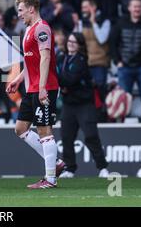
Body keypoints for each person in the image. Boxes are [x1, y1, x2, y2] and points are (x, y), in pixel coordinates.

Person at [6, 0, 65, 189]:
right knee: (20, 129)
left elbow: (45, 58)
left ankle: (50, 179)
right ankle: (56, 164)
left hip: (44, 87)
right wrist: (18, 78)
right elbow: (32, 61)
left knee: (44, 130)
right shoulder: (30, 29)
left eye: (21, 10)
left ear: (32, 9)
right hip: (31, 88)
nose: (19, 14)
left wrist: (42, 88)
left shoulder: (42, 28)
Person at [56, 32, 109, 178]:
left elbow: (69, 80)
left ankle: (102, 168)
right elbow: (56, 76)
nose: (71, 44)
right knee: (66, 137)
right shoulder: (61, 58)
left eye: (74, 42)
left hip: (84, 104)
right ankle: (70, 168)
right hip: (69, 104)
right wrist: (62, 83)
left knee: (91, 136)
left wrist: (62, 83)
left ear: (80, 45)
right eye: (69, 41)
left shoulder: (81, 60)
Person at [110, 0, 141, 117]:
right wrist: (118, 61)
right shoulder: (120, 22)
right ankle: (124, 123)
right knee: (124, 98)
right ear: (129, 8)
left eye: (139, 6)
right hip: (124, 67)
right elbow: (112, 43)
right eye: (134, 6)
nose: (137, 9)